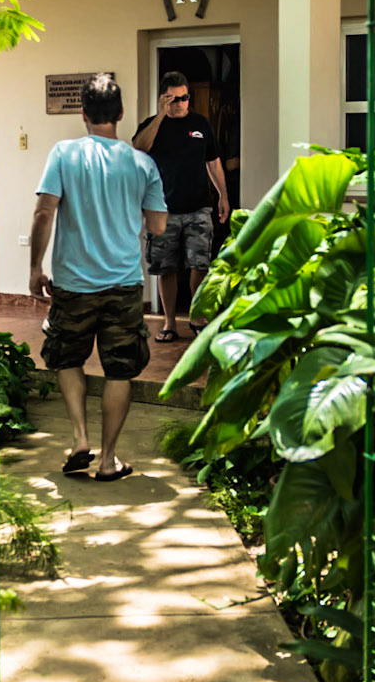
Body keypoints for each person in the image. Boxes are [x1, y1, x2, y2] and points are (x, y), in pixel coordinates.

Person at [29, 71, 168, 482]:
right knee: (120, 370)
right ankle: (109, 460)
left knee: (66, 358)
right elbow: (159, 226)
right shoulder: (143, 163)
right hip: (124, 284)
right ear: (121, 113)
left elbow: (43, 212)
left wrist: (35, 267)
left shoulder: (63, 153)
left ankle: (78, 439)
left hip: (72, 284)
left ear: (83, 113)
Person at [132, 70, 230, 341]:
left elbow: (213, 162)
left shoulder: (201, 124)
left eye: (184, 98)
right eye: (173, 99)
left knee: (200, 264)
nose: (180, 104)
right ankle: (169, 322)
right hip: (163, 209)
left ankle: (197, 317)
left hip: (199, 206)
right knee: (166, 268)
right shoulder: (153, 124)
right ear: (163, 99)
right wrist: (161, 115)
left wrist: (223, 195)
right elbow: (138, 149)